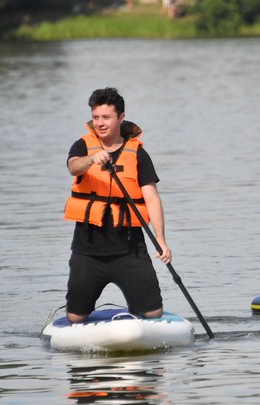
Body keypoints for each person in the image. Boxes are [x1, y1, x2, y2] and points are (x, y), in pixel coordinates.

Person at [63, 87, 172, 323]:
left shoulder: (138, 154)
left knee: (153, 313)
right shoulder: (82, 147)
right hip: (88, 250)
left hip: (129, 250)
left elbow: (152, 198)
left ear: (120, 118)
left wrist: (161, 239)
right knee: (75, 316)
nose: (100, 123)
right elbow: (73, 166)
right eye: (95, 117)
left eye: (106, 117)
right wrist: (92, 159)